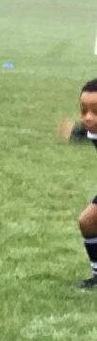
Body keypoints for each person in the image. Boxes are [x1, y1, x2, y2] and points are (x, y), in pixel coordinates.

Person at [73, 80, 97, 288]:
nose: (88, 117)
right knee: (87, 221)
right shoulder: (90, 127)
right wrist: (76, 132)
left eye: (96, 111)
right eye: (84, 110)